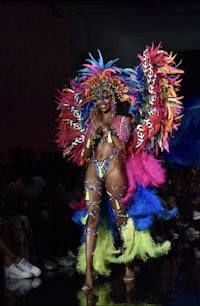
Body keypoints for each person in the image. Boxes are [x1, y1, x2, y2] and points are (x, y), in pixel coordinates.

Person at [55, 43, 184, 291]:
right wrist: (93, 132)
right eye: (98, 97)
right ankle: (89, 276)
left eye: (106, 96)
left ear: (113, 98)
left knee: (120, 218)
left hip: (115, 169)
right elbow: (85, 152)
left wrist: (104, 128)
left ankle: (127, 265)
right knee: (91, 220)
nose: (102, 101)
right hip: (94, 168)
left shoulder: (123, 119)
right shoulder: (92, 121)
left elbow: (121, 145)